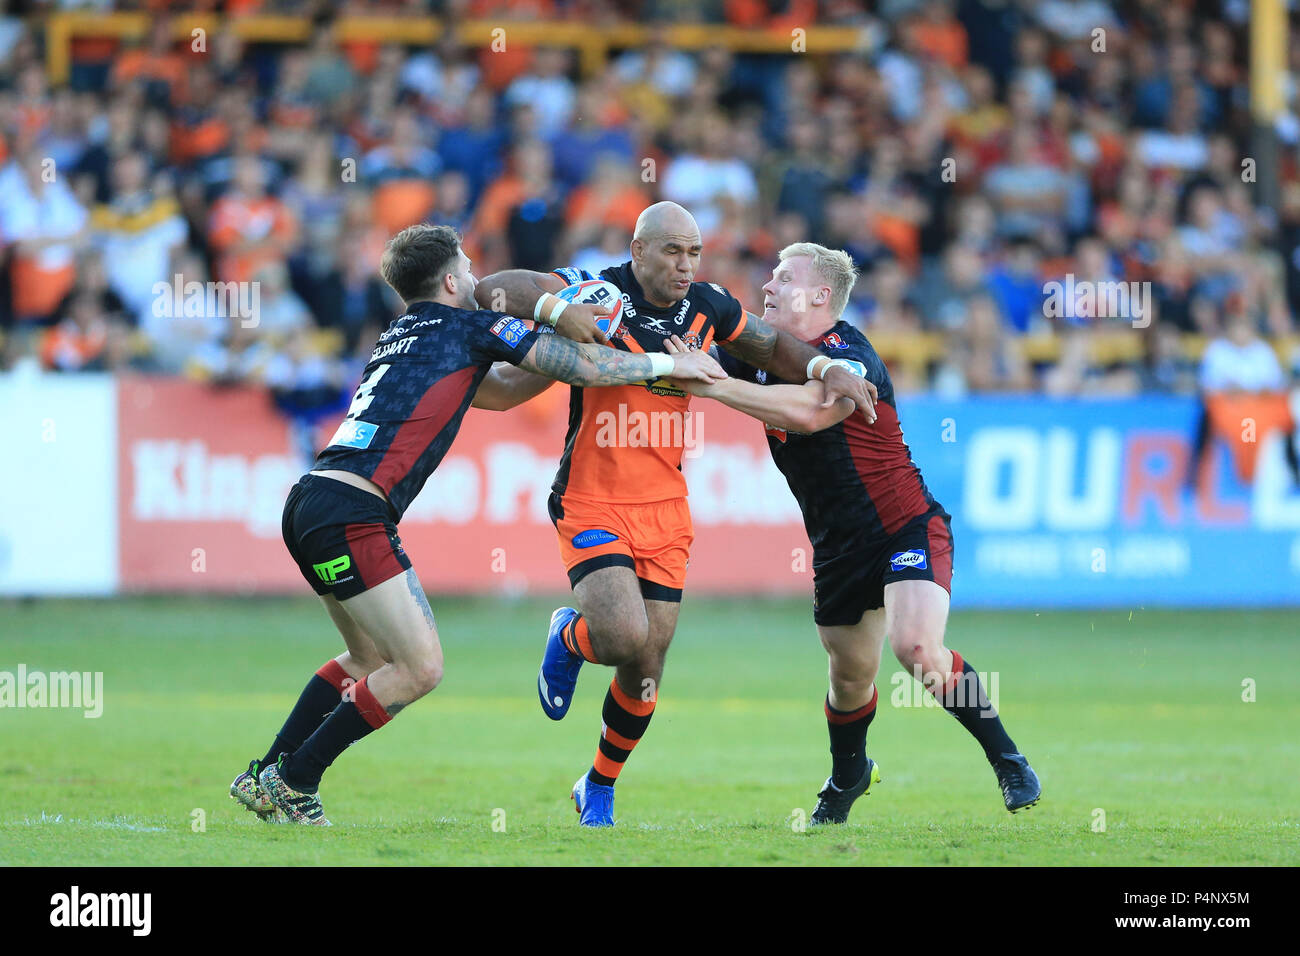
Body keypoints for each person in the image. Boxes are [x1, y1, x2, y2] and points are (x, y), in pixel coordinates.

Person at [230, 223, 726, 825]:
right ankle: (296, 781)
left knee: (365, 657)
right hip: (355, 513)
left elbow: (502, 392)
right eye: (468, 267)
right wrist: (668, 364)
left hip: (313, 500)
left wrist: (551, 331)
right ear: (449, 280)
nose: (477, 278)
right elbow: (589, 368)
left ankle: (264, 773)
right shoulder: (474, 324)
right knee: (419, 669)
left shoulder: (402, 332)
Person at [471, 202, 878, 827]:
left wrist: (826, 367)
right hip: (592, 498)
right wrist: (557, 310)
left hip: (666, 508)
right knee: (620, 636)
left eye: (694, 252)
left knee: (645, 670)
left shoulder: (709, 307)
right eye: (672, 252)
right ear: (638, 251)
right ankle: (570, 636)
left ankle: (598, 785)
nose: (686, 265)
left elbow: (771, 346)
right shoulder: (599, 291)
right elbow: (499, 289)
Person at [664, 241, 1041, 821]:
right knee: (849, 680)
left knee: (916, 648)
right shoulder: (762, 354)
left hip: (904, 527)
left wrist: (709, 384)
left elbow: (810, 412)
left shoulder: (848, 351)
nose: (767, 287)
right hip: (837, 551)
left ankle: (1007, 757)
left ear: (820, 295)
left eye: (782, 277)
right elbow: (691, 349)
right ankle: (849, 777)